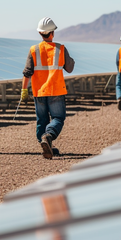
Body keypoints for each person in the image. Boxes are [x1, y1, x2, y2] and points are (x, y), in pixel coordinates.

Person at [21, 17, 75, 159]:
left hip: (39, 91)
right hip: (56, 90)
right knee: (58, 118)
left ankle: (45, 144)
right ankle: (49, 136)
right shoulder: (60, 49)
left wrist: (24, 90)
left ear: (40, 33)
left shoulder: (33, 50)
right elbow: (69, 68)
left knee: (42, 120)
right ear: (52, 33)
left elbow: (27, 72)